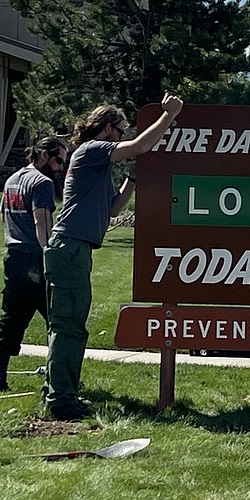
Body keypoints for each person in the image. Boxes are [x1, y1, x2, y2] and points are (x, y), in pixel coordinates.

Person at [42, 94, 184, 420]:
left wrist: (132, 179)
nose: (122, 135)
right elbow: (137, 147)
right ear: (107, 128)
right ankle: (61, 399)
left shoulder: (98, 168)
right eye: (120, 130)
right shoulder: (92, 149)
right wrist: (169, 116)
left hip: (76, 250)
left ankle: (59, 390)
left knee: (70, 326)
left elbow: (113, 209)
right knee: (70, 328)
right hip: (69, 248)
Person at [0, 135, 68, 393]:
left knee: (11, 318)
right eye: (58, 160)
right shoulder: (42, 182)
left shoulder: (13, 180)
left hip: (13, 258)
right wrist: (50, 255)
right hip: (35, 257)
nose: (60, 168)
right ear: (43, 155)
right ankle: (57, 381)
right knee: (57, 320)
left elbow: (4, 216)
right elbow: (41, 223)